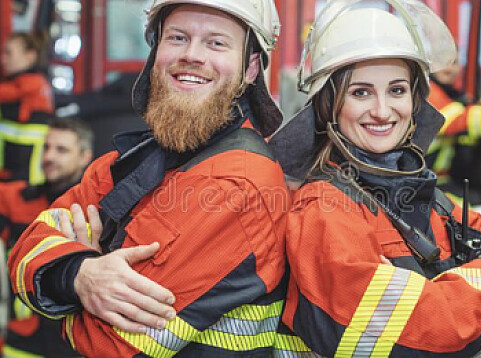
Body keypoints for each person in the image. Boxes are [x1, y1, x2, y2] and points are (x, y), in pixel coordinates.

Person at [8, 0, 289, 357]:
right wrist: (80, 274)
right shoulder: (130, 160)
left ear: (250, 68)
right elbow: (26, 244)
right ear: (156, 51)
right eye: (177, 37)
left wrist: (63, 290)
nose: (192, 55)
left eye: (216, 43)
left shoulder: (238, 185)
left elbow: (106, 346)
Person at [268, 1, 481, 357]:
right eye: (360, 92)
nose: (382, 111)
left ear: (416, 99)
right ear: (327, 105)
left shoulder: (442, 207)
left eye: (396, 90)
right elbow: (427, 337)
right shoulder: (323, 210)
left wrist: (439, 304)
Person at [0, 117, 93, 358]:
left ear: (84, 156)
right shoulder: (17, 198)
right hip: (21, 344)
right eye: (47, 147)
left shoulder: (97, 208)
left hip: (74, 346)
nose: (49, 157)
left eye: (61, 150)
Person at [426, 61, 481, 204]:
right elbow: (451, 120)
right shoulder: (427, 90)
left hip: (440, 181)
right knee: (470, 211)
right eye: (445, 62)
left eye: (454, 63)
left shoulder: (449, 93)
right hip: (427, 185)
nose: (450, 68)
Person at [0, 31, 54, 185]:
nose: (3, 59)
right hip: (17, 164)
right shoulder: (33, 81)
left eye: (9, 53)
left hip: (24, 170)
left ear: (30, 56)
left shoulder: (32, 83)